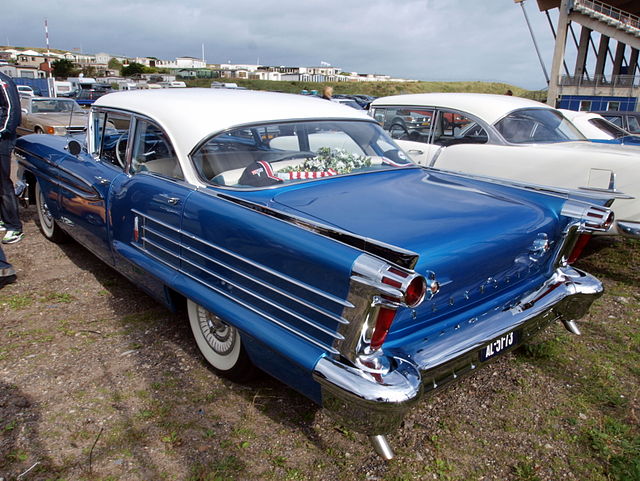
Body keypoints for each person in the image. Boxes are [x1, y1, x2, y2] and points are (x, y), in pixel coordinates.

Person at [0, 71, 23, 244]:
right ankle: (4, 218)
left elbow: (12, 109)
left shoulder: (3, 82)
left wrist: (3, 131)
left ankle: (14, 226)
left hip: (3, 139)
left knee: (3, 183)